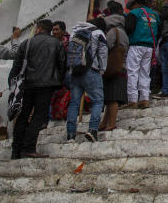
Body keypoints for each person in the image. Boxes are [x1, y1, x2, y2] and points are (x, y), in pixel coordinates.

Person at [9, 19, 66, 159]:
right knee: (38, 117)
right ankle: (28, 147)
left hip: (27, 84)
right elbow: (62, 65)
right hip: (47, 85)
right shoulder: (57, 44)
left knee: (22, 116)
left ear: (39, 29)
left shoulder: (26, 43)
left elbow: (16, 66)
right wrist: (58, 82)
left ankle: (16, 149)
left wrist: (12, 85)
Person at [65, 19, 108, 143]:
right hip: (91, 70)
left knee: (74, 103)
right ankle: (93, 130)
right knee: (97, 101)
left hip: (74, 71)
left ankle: (71, 134)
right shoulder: (98, 33)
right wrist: (102, 69)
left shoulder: (74, 32)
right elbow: (103, 53)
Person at [124, 0, 159, 108]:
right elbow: (160, 29)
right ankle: (144, 98)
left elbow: (128, 28)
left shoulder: (134, 13)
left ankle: (132, 100)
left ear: (136, 3)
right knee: (145, 73)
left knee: (133, 72)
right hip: (150, 47)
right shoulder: (154, 14)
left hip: (136, 45)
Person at [100, 1, 129, 131]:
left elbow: (106, 47)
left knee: (112, 97)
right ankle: (104, 122)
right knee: (111, 97)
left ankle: (111, 123)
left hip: (112, 66)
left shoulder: (113, 31)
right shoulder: (123, 32)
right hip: (122, 66)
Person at [49, 21, 71, 121]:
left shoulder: (70, 43)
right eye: (53, 30)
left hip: (66, 73)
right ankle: (51, 118)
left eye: (57, 29)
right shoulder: (50, 43)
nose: (54, 32)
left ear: (63, 31)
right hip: (53, 74)